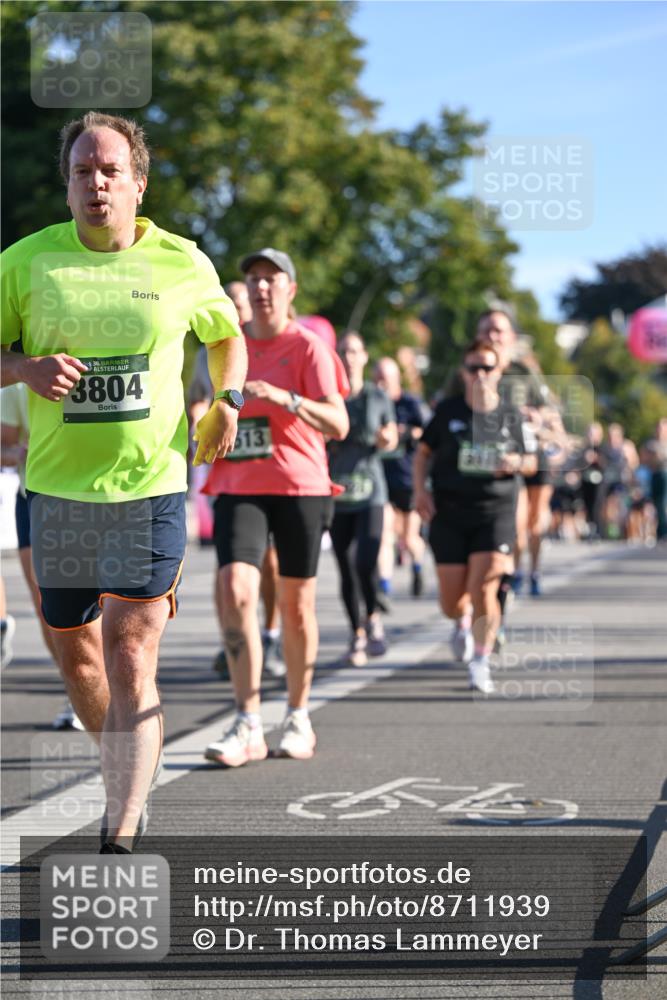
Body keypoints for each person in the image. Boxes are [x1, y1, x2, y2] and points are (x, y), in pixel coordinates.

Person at [0, 111, 247, 853]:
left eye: (110, 170)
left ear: (138, 183)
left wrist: (226, 398)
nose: (96, 182)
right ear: (68, 185)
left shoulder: (183, 262)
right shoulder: (24, 263)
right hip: (57, 492)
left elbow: (225, 336)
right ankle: (122, 761)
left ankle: (122, 821)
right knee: (77, 655)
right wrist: (23, 369)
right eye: (83, 171)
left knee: (131, 650)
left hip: (149, 486)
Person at [203, 248, 349, 767]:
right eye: (252, 279)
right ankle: (247, 721)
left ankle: (298, 713)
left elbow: (339, 423)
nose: (261, 287)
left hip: (299, 487)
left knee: (296, 606)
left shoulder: (308, 349)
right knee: (234, 589)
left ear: (291, 288)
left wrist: (287, 399)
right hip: (239, 484)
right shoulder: (226, 347)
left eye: (271, 279)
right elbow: (213, 402)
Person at [414, 340, 537, 693]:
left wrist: (515, 462)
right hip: (450, 512)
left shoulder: (511, 415)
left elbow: (531, 462)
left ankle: (481, 661)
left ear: (499, 372)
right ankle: (462, 621)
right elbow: (423, 453)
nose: (480, 374)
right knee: (452, 603)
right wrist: (420, 491)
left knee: (484, 586)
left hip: (494, 512)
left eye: (488, 368)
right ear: (463, 373)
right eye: (474, 368)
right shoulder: (448, 411)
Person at [187, 282, 286, 678]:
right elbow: (196, 396)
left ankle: (272, 633)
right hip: (229, 468)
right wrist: (199, 416)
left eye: (240, 302)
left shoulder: (273, 346)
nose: (236, 309)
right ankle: (232, 640)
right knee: (229, 564)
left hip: (271, 468)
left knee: (270, 559)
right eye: (228, 302)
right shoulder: (207, 353)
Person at [1, 382, 83, 728]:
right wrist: (23, 452)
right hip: (34, 495)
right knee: (46, 602)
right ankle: (76, 690)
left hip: (88, 493)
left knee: (98, 599)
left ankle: (102, 681)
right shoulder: (17, 381)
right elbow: (4, 446)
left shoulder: (91, 361)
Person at [328, 334, 398, 666]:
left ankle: (372, 617)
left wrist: (386, 439)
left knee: (365, 560)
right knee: (344, 566)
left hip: (371, 490)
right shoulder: (327, 394)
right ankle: (356, 634)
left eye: (355, 351)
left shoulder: (378, 396)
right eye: (343, 351)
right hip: (338, 492)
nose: (349, 357)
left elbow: (391, 436)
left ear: (365, 356)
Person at [373, 356, 427, 598]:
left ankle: (417, 566)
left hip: (408, 478)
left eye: (386, 378)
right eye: (378, 378)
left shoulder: (410, 403)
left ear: (396, 380)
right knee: (385, 533)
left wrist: (407, 433)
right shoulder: (372, 402)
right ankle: (384, 584)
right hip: (381, 478)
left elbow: (428, 434)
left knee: (409, 536)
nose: (382, 383)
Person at [643, 417, 667, 541]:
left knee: (663, 503)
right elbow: (644, 460)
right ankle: (660, 530)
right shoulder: (651, 444)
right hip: (655, 475)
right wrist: (653, 458)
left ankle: (664, 530)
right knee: (656, 503)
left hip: (665, 475)